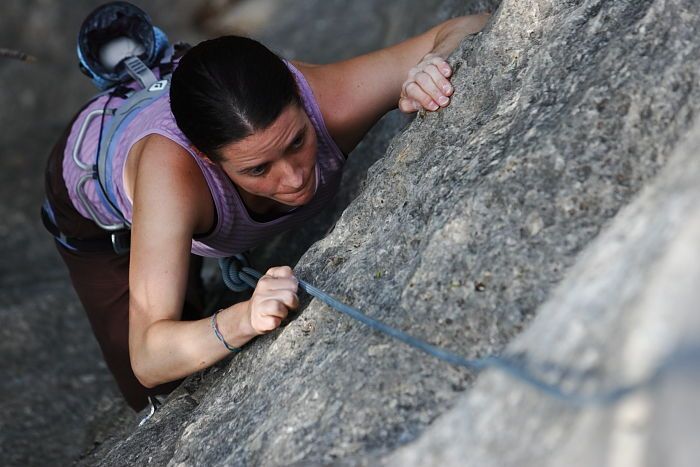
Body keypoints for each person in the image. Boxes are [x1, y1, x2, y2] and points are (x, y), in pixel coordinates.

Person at [44, 4, 490, 411]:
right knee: (159, 396)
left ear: (299, 96)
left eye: (297, 141)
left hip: (214, 94)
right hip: (93, 198)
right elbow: (149, 356)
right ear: (206, 160)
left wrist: (430, 69)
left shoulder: (327, 100)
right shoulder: (172, 177)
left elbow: (467, 26)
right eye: (259, 169)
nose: (295, 177)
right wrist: (244, 319)